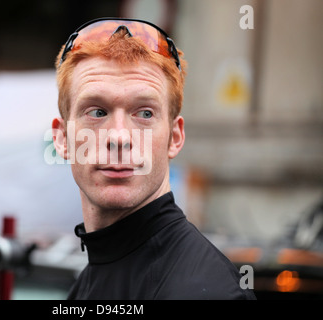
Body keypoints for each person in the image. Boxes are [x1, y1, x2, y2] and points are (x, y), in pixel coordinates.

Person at [51, 17, 256, 300]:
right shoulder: (94, 274)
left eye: (145, 113)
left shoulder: (205, 292)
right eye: (97, 112)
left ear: (175, 137)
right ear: (62, 138)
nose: (120, 138)